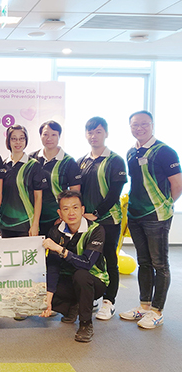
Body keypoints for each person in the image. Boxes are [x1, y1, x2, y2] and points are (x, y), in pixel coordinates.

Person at [119, 110, 182, 329]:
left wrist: (165, 205)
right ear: (130, 127)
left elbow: (177, 184)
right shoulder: (130, 152)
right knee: (143, 262)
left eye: (144, 124)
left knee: (160, 264)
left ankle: (157, 311)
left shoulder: (165, 151)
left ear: (152, 125)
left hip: (156, 217)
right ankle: (144, 306)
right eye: (135, 125)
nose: (139, 128)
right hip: (135, 215)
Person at [41, 190, 108, 343]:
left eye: (75, 207)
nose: (71, 212)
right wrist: (48, 300)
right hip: (68, 279)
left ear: (82, 210)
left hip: (94, 281)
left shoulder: (96, 230)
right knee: (42, 285)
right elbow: (53, 267)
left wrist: (60, 249)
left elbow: (86, 263)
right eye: (66, 209)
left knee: (81, 275)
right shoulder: (55, 231)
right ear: (60, 213)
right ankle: (72, 307)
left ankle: (85, 324)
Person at [77, 117, 127, 321]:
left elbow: (115, 193)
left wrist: (96, 213)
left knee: (109, 259)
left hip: (107, 220)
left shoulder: (115, 160)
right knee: (88, 259)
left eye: (98, 131)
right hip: (85, 221)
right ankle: (94, 296)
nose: (93, 136)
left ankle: (109, 301)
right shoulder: (82, 161)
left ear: (106, 133)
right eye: (90, 132)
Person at [30, 120, 81, 237]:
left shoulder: (68, 162)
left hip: (57, 218)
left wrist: (64, 217)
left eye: (54, 135)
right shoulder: (32, 159)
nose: (49, 138)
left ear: (59, 136)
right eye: (45, 134)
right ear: (40, 136)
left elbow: (75, 193)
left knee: (56, 254)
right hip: (33, 217)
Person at [0, 124, 45, 238]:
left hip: (26, 224)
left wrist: (35, 224)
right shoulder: (3, 165)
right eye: (14, 139)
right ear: (8, 141)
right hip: (5, 224)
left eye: (21, 138)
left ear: (26, 140)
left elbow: (38, 198)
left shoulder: (34, 165)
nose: (17, 142)